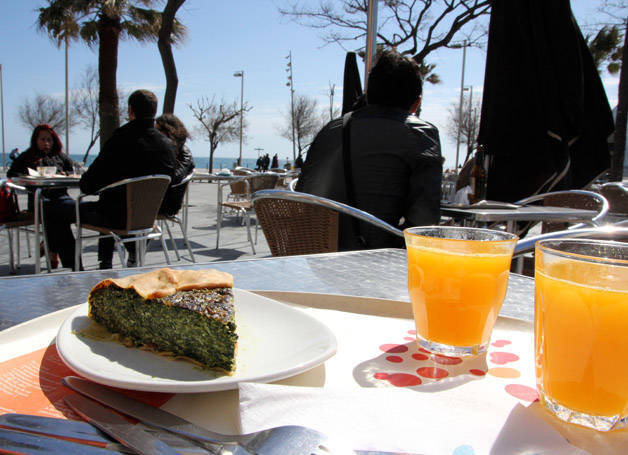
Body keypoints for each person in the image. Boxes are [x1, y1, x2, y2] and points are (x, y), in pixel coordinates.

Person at [296, 48, 442, 250]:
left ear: (369, 95)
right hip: (372, 265)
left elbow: (301, 197)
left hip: (311, 256)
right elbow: (425, 221)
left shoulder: (331, 129)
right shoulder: (420, 134)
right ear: (416, 103)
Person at [45, 90, 177, 269]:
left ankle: (74, 269)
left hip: (113, 218)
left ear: (131, 110)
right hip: (146, 219)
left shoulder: (121, 138)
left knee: (53, 211)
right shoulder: (168, 146)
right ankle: (110, 259)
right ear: (154, 112)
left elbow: (88, 184)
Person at [7, 124, 74, 268]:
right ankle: (71, 265)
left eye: (49, 140)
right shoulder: (27, 156)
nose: (46, 143)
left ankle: (50, 245)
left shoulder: (59, 156)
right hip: (40, 197)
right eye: (43, 139)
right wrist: (28, 178)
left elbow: (71, 170)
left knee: (64, 212)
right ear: (36, 140)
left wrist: (64, 174)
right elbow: (12, 175)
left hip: (61, 196)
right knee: (58, 217)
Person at [155, 113, 195, 216]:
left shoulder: (184, 152)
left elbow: (175, 177)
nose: (155, 134)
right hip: (154, 199)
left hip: (168, 203)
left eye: (158, 131)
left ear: (170, 131)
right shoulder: (163, 149)